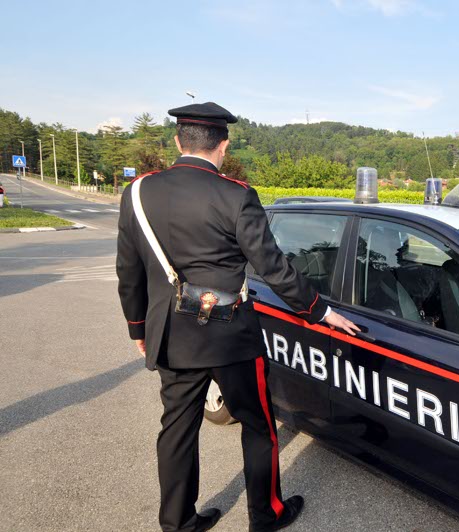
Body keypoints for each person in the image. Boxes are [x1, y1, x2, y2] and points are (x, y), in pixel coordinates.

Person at [116, 102, 358, 532]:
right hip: (231, 336)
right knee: (258, 425)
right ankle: (266, 516)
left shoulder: (137, 193)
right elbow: (273, 267)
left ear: (177, 141)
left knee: (176, 429)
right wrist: (321, 312)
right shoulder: (236, 194)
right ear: (222, 146)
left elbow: (128, 269)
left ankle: (178, 522)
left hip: (170, 334)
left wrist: (138, 327)